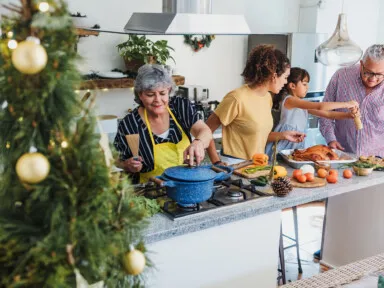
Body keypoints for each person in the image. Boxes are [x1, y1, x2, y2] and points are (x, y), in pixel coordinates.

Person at [206, 45, 305, 165]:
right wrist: (216, 162)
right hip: (233, 165)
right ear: (273, 76)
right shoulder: (236, 98)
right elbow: (205, 131)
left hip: (257, 165)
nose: (285, 82)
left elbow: (259, 135)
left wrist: (284, 135)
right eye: (285, 77)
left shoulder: (267, 98)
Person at [114, 64, 212, 183]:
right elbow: (115, 159)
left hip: (184, 186)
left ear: (169, 90)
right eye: (150, 94)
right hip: (150, 192)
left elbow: (204, 131)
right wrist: (126, 165)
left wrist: (199, 143)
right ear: (140, 95)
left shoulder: (180, 106)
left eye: (162, 93)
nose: (157, 100)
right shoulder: (129, 124)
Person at [265, 67, 359, 157]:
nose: (307, 87)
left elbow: (328, 114)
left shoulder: (302, 104)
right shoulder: (290, 100)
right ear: (292, 86)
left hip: (295, 144)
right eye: (304, 84)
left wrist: (348, 115)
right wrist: (346, 104)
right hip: (283, 145)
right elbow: (320, 106)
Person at [320, 44, 384, 157]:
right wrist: (331, 139)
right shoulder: (341, 76)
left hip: (378, 160)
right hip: (343, 155)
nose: (373, 79)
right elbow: (324, 113)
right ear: (361, 64)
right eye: (368, 72)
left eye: (379, 74)